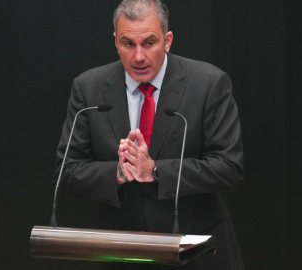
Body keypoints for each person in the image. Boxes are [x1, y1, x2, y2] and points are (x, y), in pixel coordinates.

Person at [55, 0, 244, 269]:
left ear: (167, 41)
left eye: (149, 43)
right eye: (128, 44)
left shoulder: (207, 84)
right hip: (123, 253)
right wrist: (118, 174)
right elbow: (67, 175)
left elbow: (229, 168)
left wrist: (154, 171)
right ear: (115, 42)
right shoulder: (89, 89)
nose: (139, 56)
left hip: (197, 253)